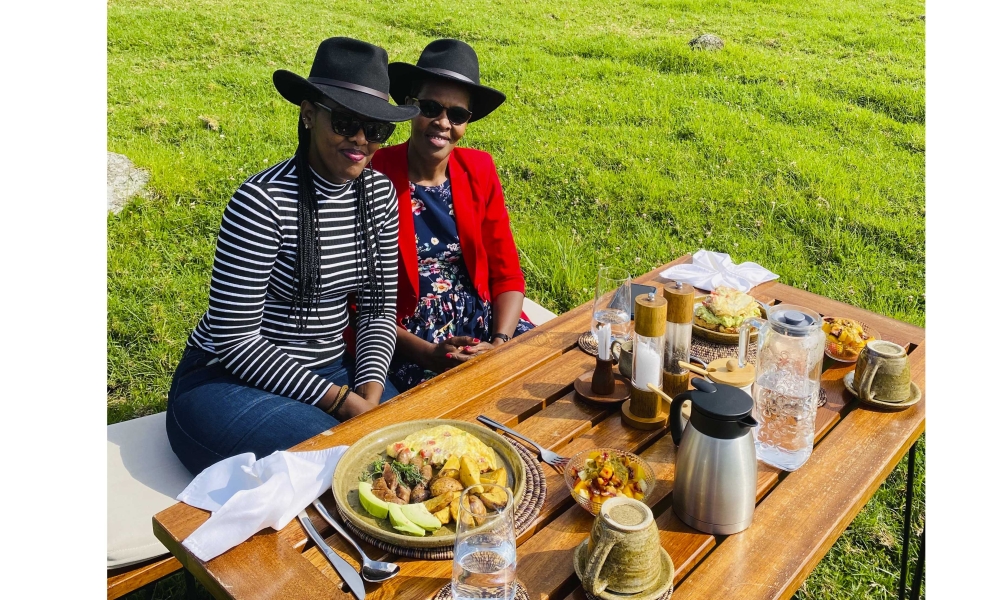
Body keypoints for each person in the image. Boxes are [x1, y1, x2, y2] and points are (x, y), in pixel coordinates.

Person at [165, 37, 421, 475]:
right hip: (227, 380)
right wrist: (343, 405)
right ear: (308, 113)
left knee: (418, 452)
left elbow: (377, 310)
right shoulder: (261, 201)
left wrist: (371, 400)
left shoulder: (378, 194)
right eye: (344, 122)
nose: (360, 139)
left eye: (376, 129)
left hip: (328, 371)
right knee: (350, 467)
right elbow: (234, 341)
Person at [370, 38, 534, 393]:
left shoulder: (479, 169)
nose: (442, 123)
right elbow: (360, 304)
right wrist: (429, 354)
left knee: (543, 383)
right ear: (410, 106)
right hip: (410, 341)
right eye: (430, 107)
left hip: (484, 324)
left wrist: (500, 344)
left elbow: (507, 274)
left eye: (457, 114)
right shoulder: (375, 173)